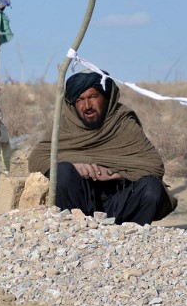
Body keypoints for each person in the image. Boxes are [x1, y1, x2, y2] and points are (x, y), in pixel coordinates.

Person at [28, 71, 175, 225]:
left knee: (152, 188)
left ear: (106, 98)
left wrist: (115, 173)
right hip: (79, 202)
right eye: (80, 100)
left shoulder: (122, 122)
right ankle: (73, 229)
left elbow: (154, 165)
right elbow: (36, 160)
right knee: (62, 171)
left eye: (93, 97)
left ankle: (132, 235)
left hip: (119, 201)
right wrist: (75, 167)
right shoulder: (65, 125)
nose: (87, 106)